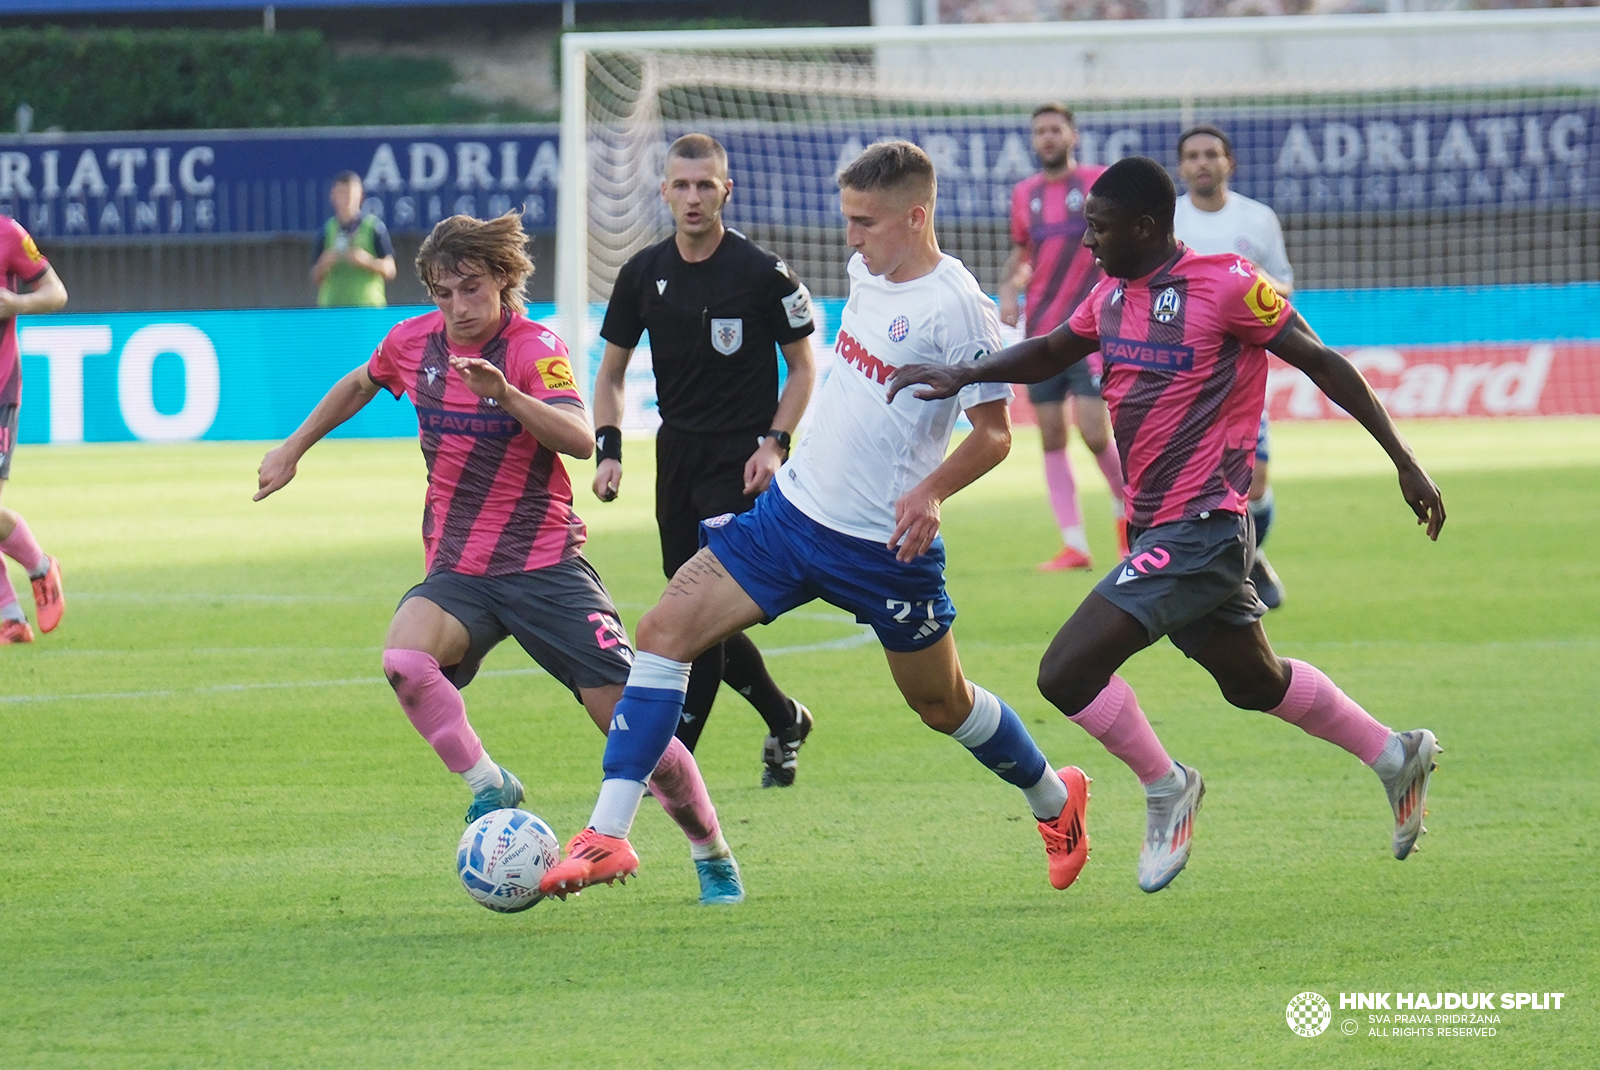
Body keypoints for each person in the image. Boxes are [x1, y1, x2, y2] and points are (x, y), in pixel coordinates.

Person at [539, 141, 1090, 901]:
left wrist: (930, 491)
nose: (851, 240)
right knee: (663, 630)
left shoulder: (958, 307)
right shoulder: (870, 271)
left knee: (943, 705)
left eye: (865, 223)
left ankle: (1055, 803)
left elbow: (995, 435)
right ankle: (608, 836)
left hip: (882, 549)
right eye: (848, 220)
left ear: (916, 217)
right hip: (791, 516)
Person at [888, 157, 1445, 894]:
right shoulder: (1113, 294)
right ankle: (1393, 754)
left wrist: (1404, 460)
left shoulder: (1227, 286)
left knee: (1066, 671)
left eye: (1099, 228)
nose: (1087, 241)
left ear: (1146, 227)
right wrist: (966, 373)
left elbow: (1323, 363)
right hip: (1157, 530)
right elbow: (1057, 348)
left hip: (1206, 526)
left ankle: (1165, 786)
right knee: (1254, 682)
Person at [258, 212, 745, 905]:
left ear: (504, 281)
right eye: (443, 292)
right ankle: (490, 784)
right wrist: (292, 448)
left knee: (639, 733)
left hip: (546, 567)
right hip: (458, 571)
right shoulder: (412, 342)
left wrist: (508, 397)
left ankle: (711, 849)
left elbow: (580, 438)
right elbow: (361, 382)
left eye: (472, 289)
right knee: (404, 662)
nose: (457, 307)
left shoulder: (532, 347)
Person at [592, 133, 818, 787]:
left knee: (695, 615)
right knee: (696, 611)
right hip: (677, 457)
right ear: (663, 191)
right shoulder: (642, 273)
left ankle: (673, 758)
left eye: (705, 185)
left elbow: (804, 368)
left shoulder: (762, 273)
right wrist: (609, 449)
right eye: (681, 185)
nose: (693, 197)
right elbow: (609, 375)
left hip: (741, 460)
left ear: (727, 189)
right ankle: (784, 717)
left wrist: (775, 443)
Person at [999, 102, 1126, 572]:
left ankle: (1129, 526)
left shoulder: (1098, 183)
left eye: (1055, 129)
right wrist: (1009, 287)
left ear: (1073, 135)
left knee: (1095, 433)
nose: (1047, 138)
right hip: (1042, 332)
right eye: (1039, 131)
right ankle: (1074, 545)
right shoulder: (1024, 194)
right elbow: (1021, 254)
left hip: (1094, 330)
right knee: (1051, 435)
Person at [1174, 125, 1292, 608]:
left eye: (1211, 154)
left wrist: (1254, 284)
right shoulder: (1169, 220)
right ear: (1181, 168)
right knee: (1192, 483)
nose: (1202, 163)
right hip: (1182, 372)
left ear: (1230, 163)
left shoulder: (1258, 219)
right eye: (1193, 156)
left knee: (1255, 481)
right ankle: (1224, 573)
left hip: (1242, 369)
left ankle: (1250, 555)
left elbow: (1283, 286)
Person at [0, 215, 69, 645]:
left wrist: (16, 303)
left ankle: (40, 567)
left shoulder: (7, 234)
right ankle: (11, 618)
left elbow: (56, 293)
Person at [311, 171, 397, 308]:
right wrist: (324, 263)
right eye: (341, 193)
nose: (346, 199)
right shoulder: (326, 230)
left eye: (350, 193)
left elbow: (390, 269)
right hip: (332, 308)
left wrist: (366, 261)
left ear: (360, 195)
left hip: (368, 309)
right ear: (333, 196)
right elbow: (315, 276)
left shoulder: (373, 227)